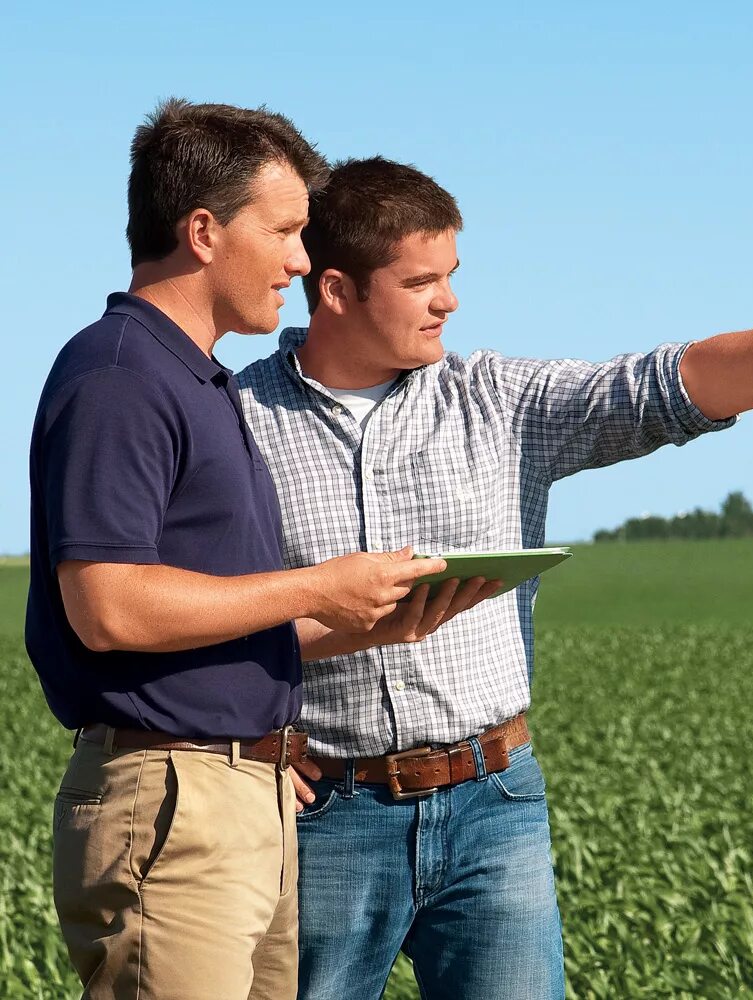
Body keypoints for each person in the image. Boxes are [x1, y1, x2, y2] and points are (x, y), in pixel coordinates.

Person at [237, 155, 753, 1000]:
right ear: (337, 291)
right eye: (421, 283)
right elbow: (187, 613)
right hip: (320, 817)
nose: (449, 301)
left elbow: (672, 387)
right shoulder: (231, 421)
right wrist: (240, 741)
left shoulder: (500, 399)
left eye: (451, 277)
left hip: (494, 802)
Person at [25, 102, 490, 1000]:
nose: (302, 261)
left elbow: (199, 629)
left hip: (241, 799)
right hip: (175, 804)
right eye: (282, 230)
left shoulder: (197, 381)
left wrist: (371, 624)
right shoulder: (122, 376)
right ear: (203, 231)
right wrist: (317, 584)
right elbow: (110, 607)